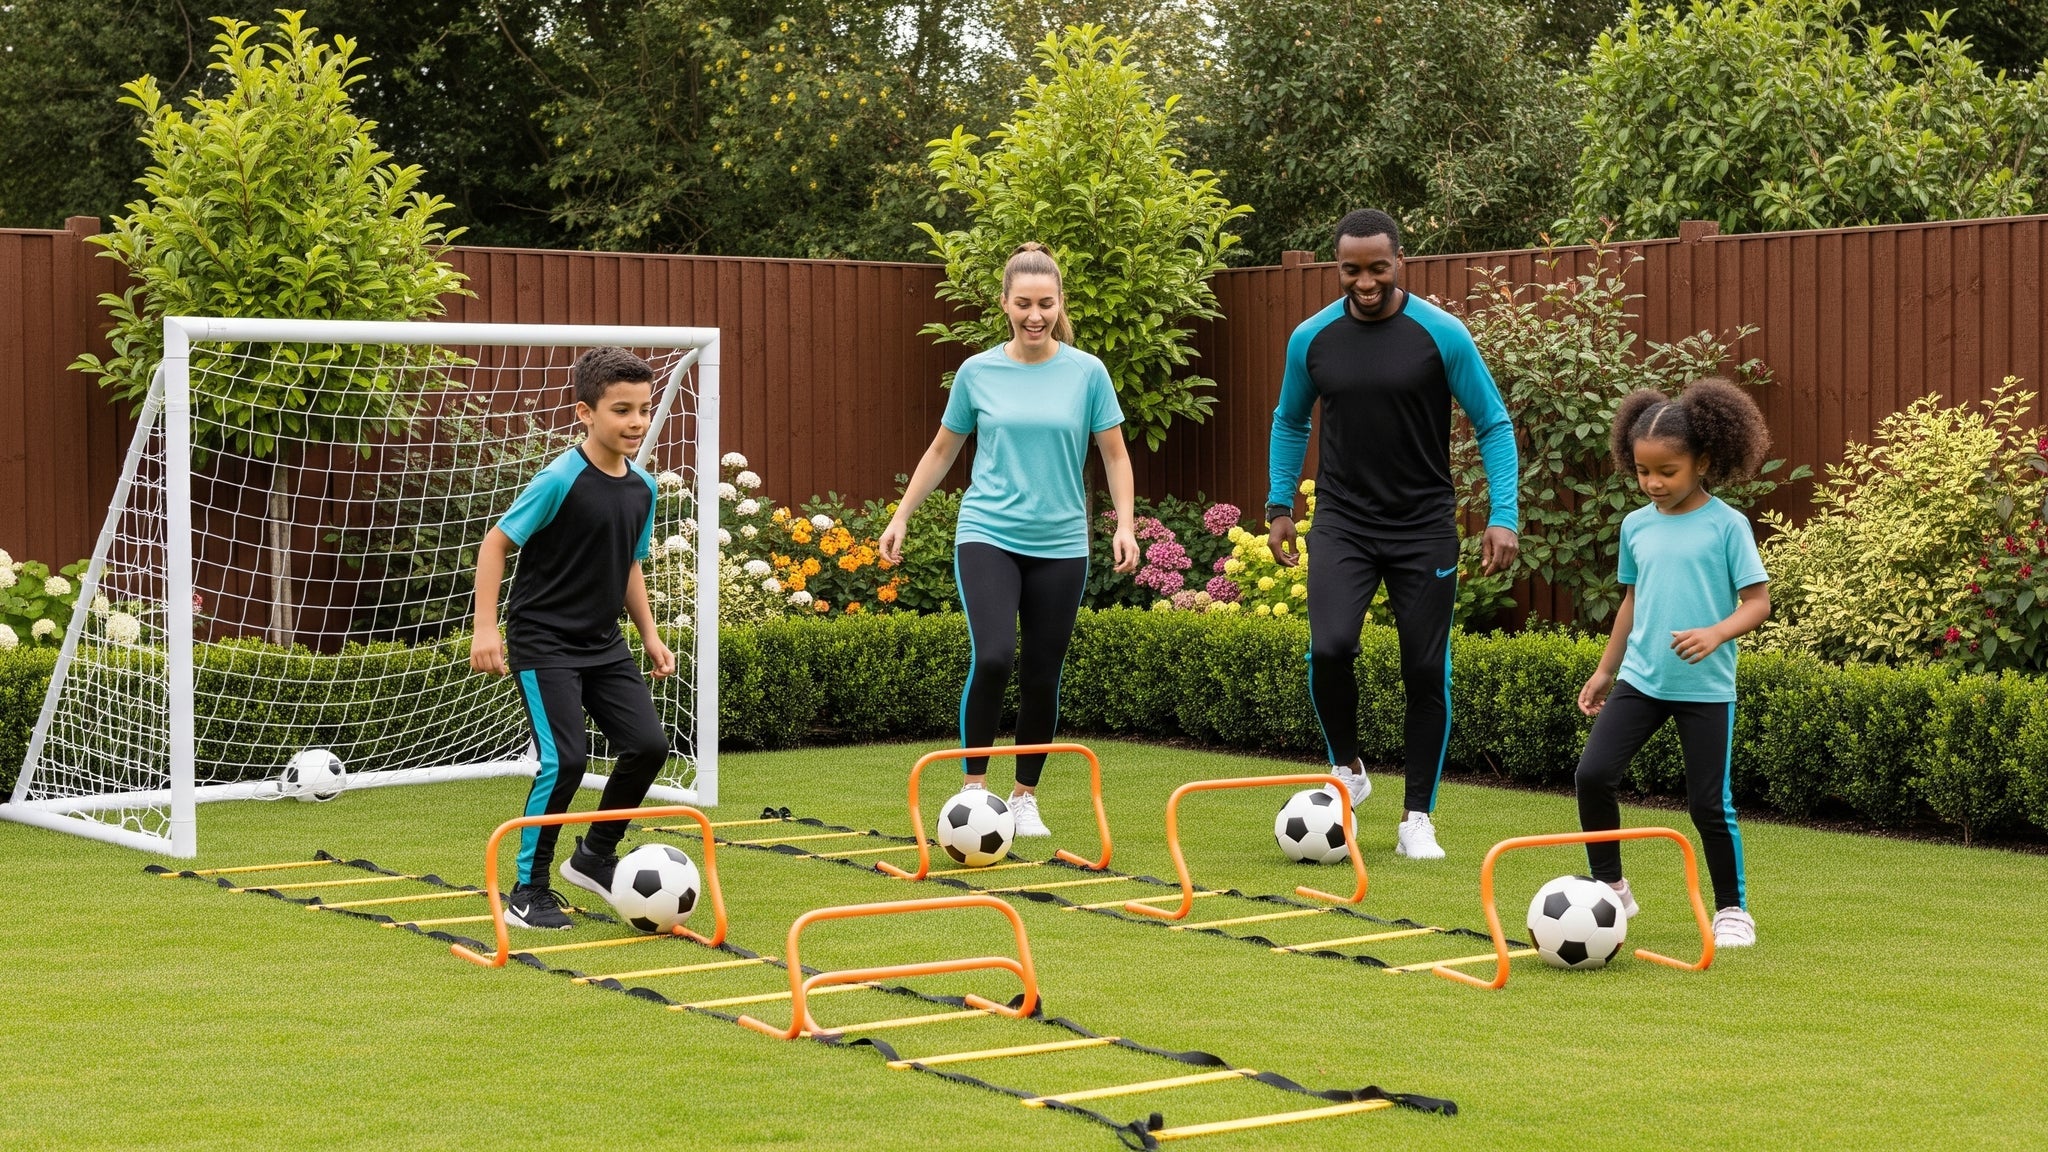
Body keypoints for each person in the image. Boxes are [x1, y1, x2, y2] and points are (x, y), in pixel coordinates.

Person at [1266, 208, 1520, 861]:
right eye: (1352, 269)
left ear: (1399, 260)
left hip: (1423, 527)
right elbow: (1291, 421)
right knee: (1330, 648)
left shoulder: (1441, 334)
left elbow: (1492, 423)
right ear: (1339, 268)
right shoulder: (1312, 338)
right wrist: (1278, 506)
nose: (1365, 281)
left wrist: (1504, 515)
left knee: (1425, 668)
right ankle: (1347, 768)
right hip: (1344, 522)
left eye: (1378, 267)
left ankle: (1416, 818)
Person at [880, 243, 1140, 837]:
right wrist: (901, 516)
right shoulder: (978, 372)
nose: (1035, 315)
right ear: (1004, 304)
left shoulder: (1086, 372)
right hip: (988, 532)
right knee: (995, 654)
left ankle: (1023, 797)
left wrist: (1124, 524)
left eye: (1045, 304)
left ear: (1059, 304)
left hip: (1062, 543)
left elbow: (1115, 454)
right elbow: (944, 449)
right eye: (1023, 304)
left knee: (1043, 670)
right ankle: (974, 791)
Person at [470, 347, 677, 930]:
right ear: (586, 413)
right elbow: (496, 544)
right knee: (564, 759)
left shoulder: (642, 487)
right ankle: (527, 889)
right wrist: (487, 628)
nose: (636, 422)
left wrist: (650, 635)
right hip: (543, 641)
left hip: (603, 642)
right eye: (621, 410)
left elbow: (630, 564)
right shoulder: (560, 477)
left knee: (649, 745)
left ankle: (593, 858)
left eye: (643, 408)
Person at [1575, 378, 1773, 948]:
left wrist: (1716, 632)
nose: (1653, 484)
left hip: (1705, 687)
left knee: (1709, 803)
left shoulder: (1727, 526)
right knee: (1593, 775)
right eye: (1643, 472)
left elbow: (1758, 602)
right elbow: (1632, 604)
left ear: (1704, 462)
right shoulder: (1636, 526)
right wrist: (1606, 670)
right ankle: (1611, 887)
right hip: (1642, 679)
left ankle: (1733, 910)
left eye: (1668, 471)